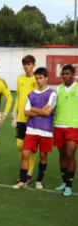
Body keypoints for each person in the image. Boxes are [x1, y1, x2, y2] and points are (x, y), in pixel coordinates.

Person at [12, 68, 55, 191]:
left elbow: (48, 113)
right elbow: (26, 112)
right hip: (31, 129)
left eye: (41, 78)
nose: (38, 80)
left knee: (43, 156)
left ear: (46, 78)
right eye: (36, 78)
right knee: (25, 154)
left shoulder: (52, 93)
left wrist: (34, 109)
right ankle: (23, 182)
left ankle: (39, 181)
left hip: (45, 131)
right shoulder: (31, 94)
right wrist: (41, 110)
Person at [53, 64, 78, 197]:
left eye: (67, 74)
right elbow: (52, 106)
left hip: (73, 126)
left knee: (70, 154)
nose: (64, 76)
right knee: (62, 154)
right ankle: (64, 181)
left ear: (73, 74)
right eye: (63, 74)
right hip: (58, 126)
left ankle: (69, 185)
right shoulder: (58, 89)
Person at [12, 55, 37, 184]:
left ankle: (29, 173)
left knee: (31, 147)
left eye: (28, 64)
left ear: (34, 65)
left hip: (32, 117)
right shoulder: (20, 79)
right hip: (21, 117)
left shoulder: (37, 79)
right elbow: (18, 97)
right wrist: (14, 112)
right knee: (19, 145)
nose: (26, 66)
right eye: (24, 64)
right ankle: (24, 168)